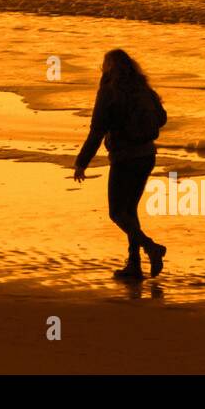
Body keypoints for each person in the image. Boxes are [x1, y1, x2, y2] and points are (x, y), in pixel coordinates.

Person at [73, 48, 168, 280]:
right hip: (147, 156)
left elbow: (97, 131)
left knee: (117, 213)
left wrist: (81, 162)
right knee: (129, 211)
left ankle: (150, 247)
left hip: (125, 158)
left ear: (108, 69)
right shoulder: (143, 89)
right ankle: (134, 264)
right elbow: (162, 118)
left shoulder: (109, 92)